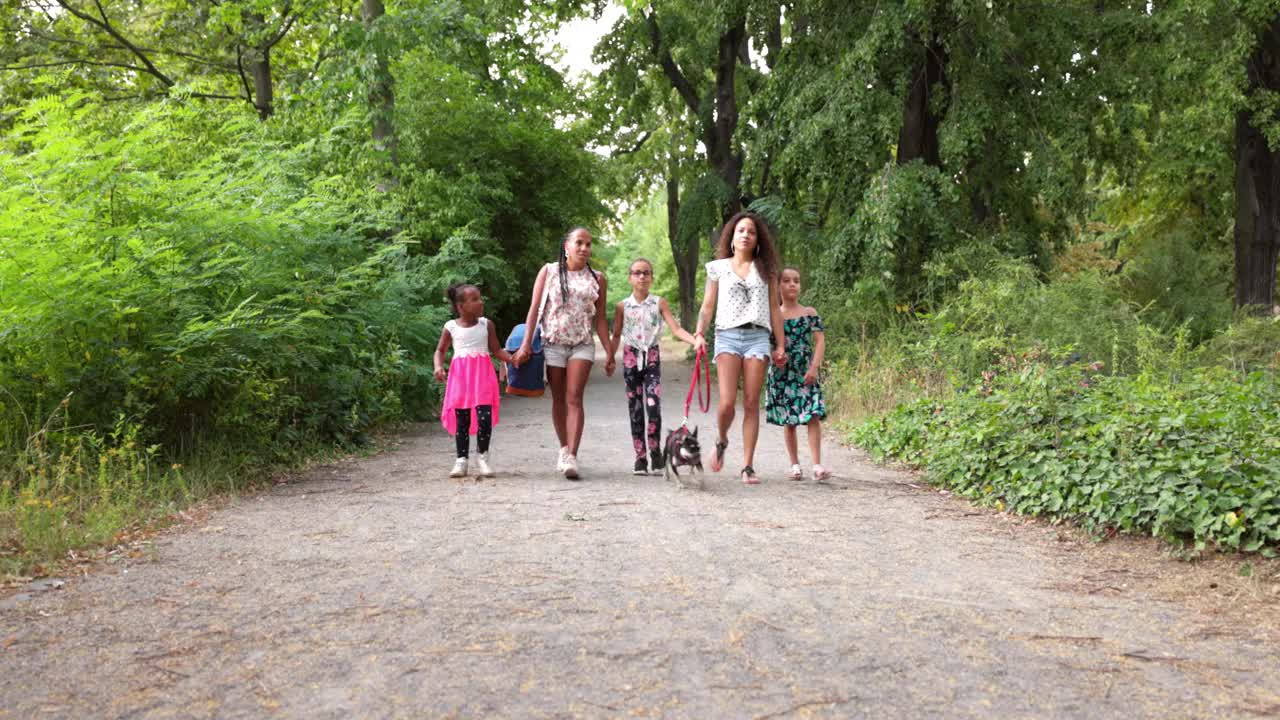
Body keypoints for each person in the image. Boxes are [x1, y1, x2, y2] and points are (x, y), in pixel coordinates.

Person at [511, 227, 614, 479]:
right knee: (558, 398)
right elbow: (534, 310)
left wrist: (610, 352)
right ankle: (563, 448)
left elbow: (600, 318)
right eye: (579, 242)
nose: (584, 248)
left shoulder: (598, 278)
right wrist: (525, 344)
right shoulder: (549, 272)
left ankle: (572, 457)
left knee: (574, 397)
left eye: (588, 244)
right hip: (553, 342)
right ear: (566, 246)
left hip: (582, 344)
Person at [692, 212, 786, 485]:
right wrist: (699, 333)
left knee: (751, 403)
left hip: (758, 337)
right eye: (740, 230)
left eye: (751, 232)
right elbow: (707, 306)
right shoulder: (717, 268)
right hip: (727, 337)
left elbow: (774, 309)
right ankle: (721, 439)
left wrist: (780, 344)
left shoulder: (766, 271)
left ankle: (747, 466)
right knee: (727, 403)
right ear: (732, 238)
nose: (745, 234)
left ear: (758, 241)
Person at [608, 258, 698, 475]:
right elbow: (617, 334)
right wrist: (610, 357)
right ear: (630, 277)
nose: (641, 277)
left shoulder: (659, 303)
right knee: (635, 409)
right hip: (631, 357)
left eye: (646, 273)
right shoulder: (622, 306)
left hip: (651, 357)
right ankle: (640, 458)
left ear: (651, 277)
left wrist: (695, 341)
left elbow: (676, 329)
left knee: (652, 406)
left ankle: (656, 455)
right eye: (637, 273)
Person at [433, 283, 513, 478]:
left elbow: (496, 350)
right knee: (462, 420)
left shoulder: (487, 324)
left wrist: (513, 358)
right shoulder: (450, 327)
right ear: (460, 306)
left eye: (480, 298)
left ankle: (483, 457)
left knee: (484, 417)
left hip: (482, 376)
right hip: (460, 377)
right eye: (475, 299)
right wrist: (438, 366)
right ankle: (461, 460)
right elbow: (440, 350)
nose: (481, 302)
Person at [766, 267, 831, 481]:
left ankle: (817, 465)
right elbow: (768, 344)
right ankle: (795, 465)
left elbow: (820, 340)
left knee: (813, 414)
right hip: (783, 373)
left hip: (805, 372)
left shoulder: (809, 313)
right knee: (789, 419)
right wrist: (776, 355)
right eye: (786, 281)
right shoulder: (774, 315)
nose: (792, 284)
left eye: (796, 280)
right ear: (778, 286)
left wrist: (814, 367)